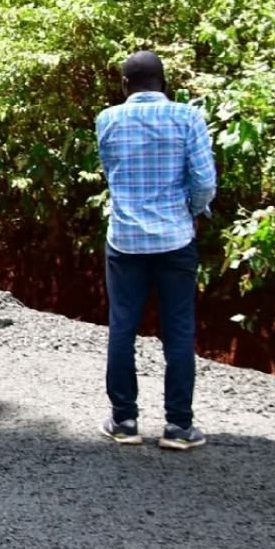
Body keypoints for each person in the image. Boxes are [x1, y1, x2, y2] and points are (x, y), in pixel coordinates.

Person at [92, 48, 218, 450]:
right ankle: (179, 426)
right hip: (175, 238)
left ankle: (124, 421)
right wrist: (190, 213)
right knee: (178, 330)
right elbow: (204, 182)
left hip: (125, 240)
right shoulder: (188, 117)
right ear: (164, 82)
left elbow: (111, 174)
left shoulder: (107, 120)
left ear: (125, 84)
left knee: (122, 327)